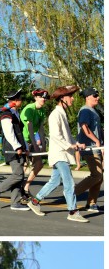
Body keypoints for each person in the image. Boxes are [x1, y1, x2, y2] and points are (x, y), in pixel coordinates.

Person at [28, 85, 89, 223]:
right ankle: (72, 211)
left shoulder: (62, 113)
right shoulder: (55, 114)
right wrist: (70, 145)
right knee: (69, 183)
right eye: (70, 96)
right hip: (59, 154)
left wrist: (76, 144)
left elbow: (66, 136)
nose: (72, 98)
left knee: (54, 181)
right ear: (62, 99)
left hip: (62, 153)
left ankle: (35, 201)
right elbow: (55, 136)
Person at [0, 90, 39, 213]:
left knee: (20, 176)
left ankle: (15, 202)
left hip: (19, 148)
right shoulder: (6, 114)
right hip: (11, 149)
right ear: (14, 101)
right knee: (18, 175)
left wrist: (26, 148)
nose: (21, 101)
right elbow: (9, 133)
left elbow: (20, 134)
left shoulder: (15, 113)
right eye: (20, 99)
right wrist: (17, 147)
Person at [73, 86, 102, 215]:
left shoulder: (93, 111)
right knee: (97, 175)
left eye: (98, 95)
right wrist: (96, 141)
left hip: (97, 147)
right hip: (90, 147)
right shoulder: (85, 110)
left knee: (99, 177)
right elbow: (84, 127)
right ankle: (71, 193)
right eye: (95, 95)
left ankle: (91, 203)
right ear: (88, 97)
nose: (98, 97)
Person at [20, 89, 49, 197]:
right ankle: (18, 188)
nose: (44, 99)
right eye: (41, 97)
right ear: (35, 98)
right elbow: (30, 130)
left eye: (45, 97)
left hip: (32, 140)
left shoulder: (42, 111)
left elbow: (41, 130)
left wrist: (44, 147)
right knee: (24, 165)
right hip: (23, 139)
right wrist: (36, 147)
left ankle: (25, 187)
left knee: (39, 164)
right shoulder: (29, 109)